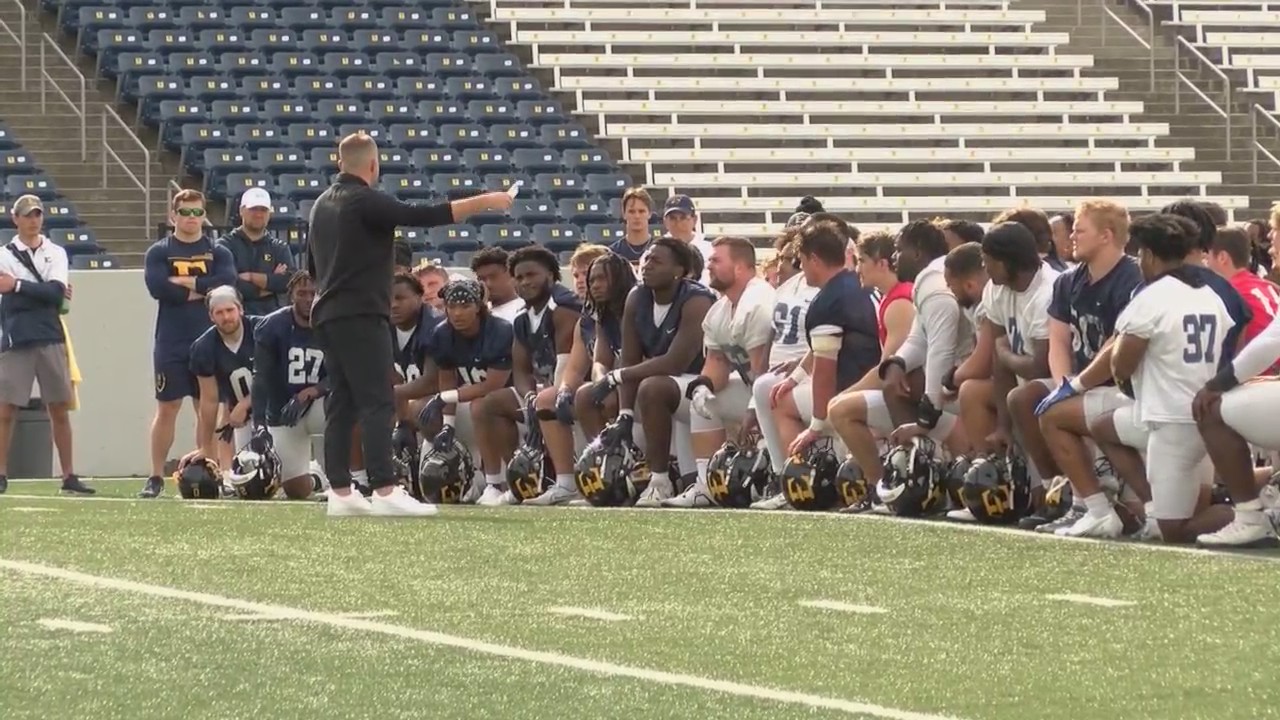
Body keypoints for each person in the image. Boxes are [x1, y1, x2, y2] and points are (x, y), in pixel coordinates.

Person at [306, 131, 513, 517]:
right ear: (373, 164)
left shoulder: (321, 204)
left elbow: (312, 267)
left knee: (343, 400)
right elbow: (424, 216)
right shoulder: (364, 199)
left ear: (340, 163)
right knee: (377, 400)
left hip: (328, 313)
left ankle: (341, 491)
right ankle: (385, 489)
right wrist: (487, 201)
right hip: (360, 313)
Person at [1106, 214, 1246, 544]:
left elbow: (1122, 365)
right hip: (1207, 411)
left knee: (1174, 530)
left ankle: (1264, 514)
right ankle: (1262, 495)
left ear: (1150, 255)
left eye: (1141, 254)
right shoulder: (1208, 293)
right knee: (1102, 425)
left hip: (1172, 419)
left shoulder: (1152, 297)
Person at [1027, 199, 1144, 535]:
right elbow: (1058, 341)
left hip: (1121, 385)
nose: (1071, 237)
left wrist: (1076, 387)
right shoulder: (1068, 281)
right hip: (1083, 382)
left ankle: (1090, 505)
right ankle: (1075, 498)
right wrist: (1065, 383)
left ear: (1106, 236)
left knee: (1054, 415)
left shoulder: (1131, 278)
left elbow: (1115, 346)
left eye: (1080, 230)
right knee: (1029, 398)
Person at [586, 236, 715, 506]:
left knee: (652, 386)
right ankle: (604, 477)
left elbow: (675, 362)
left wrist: (616, 376)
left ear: (679, 271)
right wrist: (625, 413)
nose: (646, 265)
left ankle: (660, 481)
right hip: (670, 384)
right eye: (645, 259)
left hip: (703, 382)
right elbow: (630, 358)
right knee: (593, 394)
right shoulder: (638, 296)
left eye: (656, 261)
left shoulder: (697, 299)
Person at [140, 189, 236, 499]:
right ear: (173, 216)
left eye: (197, 213)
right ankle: (155, 476)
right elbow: (157, 287)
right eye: (185, 213)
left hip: (208, 340)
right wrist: (201, 289)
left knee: (207, 408)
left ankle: (211, 469)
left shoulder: (218, 251)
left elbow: (226, 284)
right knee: (167, 407)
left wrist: (184, 283)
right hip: (171, 339)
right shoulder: (159, 251)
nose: (191, 219)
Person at [667, 236, 776, 507]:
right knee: (703, 402)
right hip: (755, 388)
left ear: (740, 267)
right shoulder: (720, 310)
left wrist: (754, 410)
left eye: (716, 260)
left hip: (775, 390)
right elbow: (716, 363)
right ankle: (706, 485)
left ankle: (774, 479)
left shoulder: (758, 302)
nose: (709, 266)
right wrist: (703, 384)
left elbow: (763, 367)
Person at [471, 245, 581, 505]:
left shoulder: (564, 307)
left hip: (574, 386)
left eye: (532, 275)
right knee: (492, 405)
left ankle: (567, 484)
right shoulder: (523, 316)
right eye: (519, 278)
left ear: (552, 276)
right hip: (545, 388)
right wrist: (529, 395)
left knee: (546, 399)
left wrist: (543, 396)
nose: (525, 282)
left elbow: (567, 365)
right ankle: (524, 478)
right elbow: (520, 369)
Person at [767, 217, 880, 460]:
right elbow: (823, 347)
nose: (801, 268)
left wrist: (816, 425)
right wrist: (796, 377)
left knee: (781, 403)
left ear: (815, 260)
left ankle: (803, 476)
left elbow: (825, 370)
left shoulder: (828, 302)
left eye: (802, 261)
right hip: (885, 382)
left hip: (858, 394)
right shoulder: (861, 282)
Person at [0, 194, 90, 495]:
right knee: (6, 408)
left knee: (59, 407)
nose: (33, 220)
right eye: (27, 215)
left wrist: (20, 286)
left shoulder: (56, 252)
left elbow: (55, 293)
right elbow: (21, 294)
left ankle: (68, 475)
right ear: (16, 219)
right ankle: (1, 472)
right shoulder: (5, 254)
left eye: (37, 214)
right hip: (18, 336)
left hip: (49, 333)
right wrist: (36, 292)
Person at [528, 250, 634, 506]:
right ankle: (571, 482)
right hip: (608, 383)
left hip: (633, 382)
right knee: (548, 399)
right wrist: (565, 389)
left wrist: (608, 383)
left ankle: (620, 476)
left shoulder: (634, 306)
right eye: (578, 275)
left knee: (592, 396)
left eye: (591, 274)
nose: (584, 281)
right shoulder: (589, 318)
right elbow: (576, 367)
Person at [413, 279, 516, 503]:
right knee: (422, 408)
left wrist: (444, 397)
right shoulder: (442, 333)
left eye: (465, 306)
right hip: (471, 398)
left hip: (511, 398)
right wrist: (447, 425)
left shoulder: (500, 330)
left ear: (478, 307)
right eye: (451, 307)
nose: (457, 313)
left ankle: (495, 483)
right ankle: (444, 479)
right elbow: (447, 379)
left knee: (482, 405)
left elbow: (493, 384)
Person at [748, 228, 819, 509]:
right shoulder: (786, 288)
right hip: (789, 371)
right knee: (765, 385)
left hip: (816, 371)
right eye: (784, 256)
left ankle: (799, 480)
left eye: (792, 256)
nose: (784, 263)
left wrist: (801, 368)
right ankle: (784, 479)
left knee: (773, 391)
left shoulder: (832, 286)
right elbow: (771, 336)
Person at [251, 271, 329, 500]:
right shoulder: (272, 326)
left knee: (339, 403)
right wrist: (259, 424)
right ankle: (316, 476)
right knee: (295, 490)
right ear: (290, 296)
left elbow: (341, 375)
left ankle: (340, 477)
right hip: (284, 410)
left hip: (319, 404)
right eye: (301, 293)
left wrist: (310, 392)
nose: (307, 298)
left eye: (313, 293)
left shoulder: (332, 325)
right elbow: (261, 376)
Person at [187, 287, 258, 471]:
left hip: (276, 413)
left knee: (292, 481)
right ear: (211, 316)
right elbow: (209, 401)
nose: (226, 317)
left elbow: (274, 380)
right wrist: (205, 446)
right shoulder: (203, 347)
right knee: (249, 476)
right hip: (244, 420)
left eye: (230, 310)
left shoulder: (262, 331)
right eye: (219, 312)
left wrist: (244, 404)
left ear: (240, 309)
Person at [1207, 225, 1280, 369]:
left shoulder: (1228, 293)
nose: (1205, 264)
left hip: (1260, 374)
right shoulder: (1268, 286)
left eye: (1207, 256)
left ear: (1222, 257)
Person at [219, 188, 295, 315]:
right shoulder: (225, 245)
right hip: (235, 319)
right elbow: (229, 284)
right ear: (241, 210)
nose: (259, 214)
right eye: (253, 209)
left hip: (271, 319)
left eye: (263, 210)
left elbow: (288, 282)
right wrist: (269, 285)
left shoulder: (279, 247)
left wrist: (249, 276)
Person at [662, 194, 714, 285]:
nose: (678, 223)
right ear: (665, 221)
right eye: (672, 218)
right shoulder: (655, 251)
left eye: (683, 217)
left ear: (694, 220)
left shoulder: (710, 251)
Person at [470, 247, 522, 323]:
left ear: (511, 274)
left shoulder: (523, 311)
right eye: (482, 279)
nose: (488, 284)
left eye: (493, 277)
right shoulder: (477, 314)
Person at [610, 187, 655, 263]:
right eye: (631, 211)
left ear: (649, 214)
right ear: (624, 214)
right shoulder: (613, 253)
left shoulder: (660, 250)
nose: (637, 216)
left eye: (641, 211)